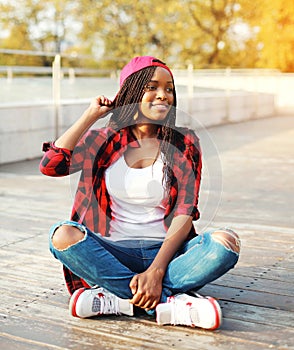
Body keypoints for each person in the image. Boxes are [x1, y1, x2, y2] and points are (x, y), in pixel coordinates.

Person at [40, 56, 240, 330]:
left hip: (168, 254)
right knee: (62, 235)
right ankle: (171, 303)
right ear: (131, 92)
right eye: (152, 87)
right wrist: (90, 116)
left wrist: (157, 271)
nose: (163, 95)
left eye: (169, 88)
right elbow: (52, 166)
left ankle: (119, 298)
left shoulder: (185, 142)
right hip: (111, 252)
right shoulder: (103, 141)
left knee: (225, 243)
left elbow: (185, 211)